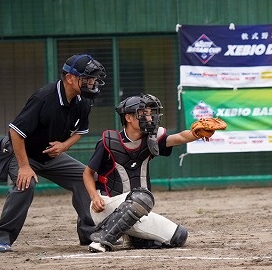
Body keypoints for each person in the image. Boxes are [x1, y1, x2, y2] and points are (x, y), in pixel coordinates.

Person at [0, 53, 106, 252]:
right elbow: (15, 132)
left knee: (85, 177)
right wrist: (24, 167)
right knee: (26, 183)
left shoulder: (83, 101)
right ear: (70, 78)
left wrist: (64, 146)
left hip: (48, 155)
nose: (92, 83)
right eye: (87, 78)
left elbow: (80, 131)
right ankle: (1, 238)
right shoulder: (44, 97)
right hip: (20, 152)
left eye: (93, 79)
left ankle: (89, 233)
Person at [83, 93, 222, 253]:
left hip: (135, 210)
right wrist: (94, 197)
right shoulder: (109, 141)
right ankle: (102, 238)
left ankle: (132, 237)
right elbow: (87, 173)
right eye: (143, 114)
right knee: (143, 196)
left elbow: (179, 137)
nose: (149, 118)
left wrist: (196, 133)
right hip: (106, 207)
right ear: (128, 117)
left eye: (150, 113)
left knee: (178, 236)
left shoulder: (151, 139)